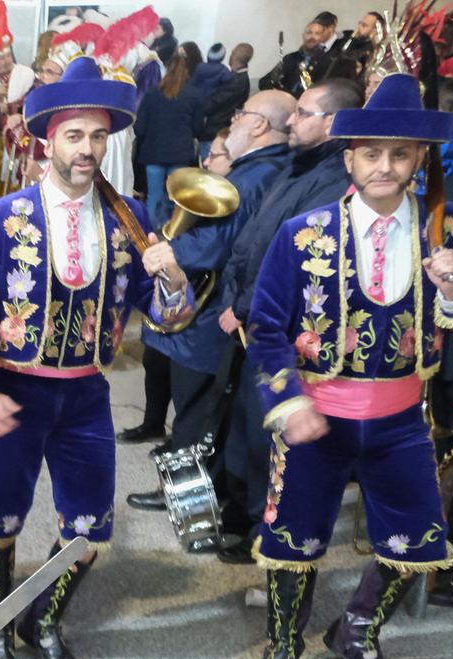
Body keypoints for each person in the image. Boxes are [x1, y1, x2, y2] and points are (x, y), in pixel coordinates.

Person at [0, 57, 193, 659]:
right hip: (17, 390)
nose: (87, 149)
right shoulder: (9, 219)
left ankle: (43, 621)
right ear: (47, 139)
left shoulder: (128, 219)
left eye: (98, 137)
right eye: (75, 136)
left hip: (86, 394)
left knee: (89, 527)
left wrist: (171, 276)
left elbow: (167, 317)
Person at [242, 74, 453, 659]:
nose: (385, 167)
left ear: (420, 158)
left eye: (400, 154)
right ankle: (284, 643)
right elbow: (265, 329)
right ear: (350, 158)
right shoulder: (305, 234)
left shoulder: (448, 230)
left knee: (419, 539)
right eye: (372, 153)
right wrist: (287, 402)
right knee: (294, 541)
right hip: (317, 413)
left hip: (400, 421)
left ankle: (357, 630)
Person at [126, 92, 295, 542]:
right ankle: (194, 500)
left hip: (210, 317)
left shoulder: (255, 175)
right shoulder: (263, 170)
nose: (235, 121)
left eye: (242, 115)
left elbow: (226, 246)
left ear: (259, 126)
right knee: (199, 413)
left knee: (196, 414)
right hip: (213, 313)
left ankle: (188, 506)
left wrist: (170, 250)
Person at [211, 79, 362, 557]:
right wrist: (232, 294)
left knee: (268, 444)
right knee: (242, 432)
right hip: (251, 318)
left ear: (332, 123)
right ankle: (240, 517)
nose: (291, 121)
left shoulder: (334, 179)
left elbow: (296, 262)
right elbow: (254, 238)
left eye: (303, 113)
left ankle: (265, 535)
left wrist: (244, 306)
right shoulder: (297, 165)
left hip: (279, 328)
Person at [133, 48, 209, 230]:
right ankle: (174, 231)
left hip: (153, 153)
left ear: (166, 69)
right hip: (180, 154)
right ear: (188, 71)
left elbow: (139, 128)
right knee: (177, 196)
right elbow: (199, 128)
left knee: (154, 196)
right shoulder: (194, 95)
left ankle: (150, 232)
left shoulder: (152, 95)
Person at [263, 13, 338, 94]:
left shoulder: (328, 61)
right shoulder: (290, 58)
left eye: (317, 33)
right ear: (303, 35)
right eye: (309, 33)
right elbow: (263, 83)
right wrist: (274, 84)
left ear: (323, 38)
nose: (312, 37)